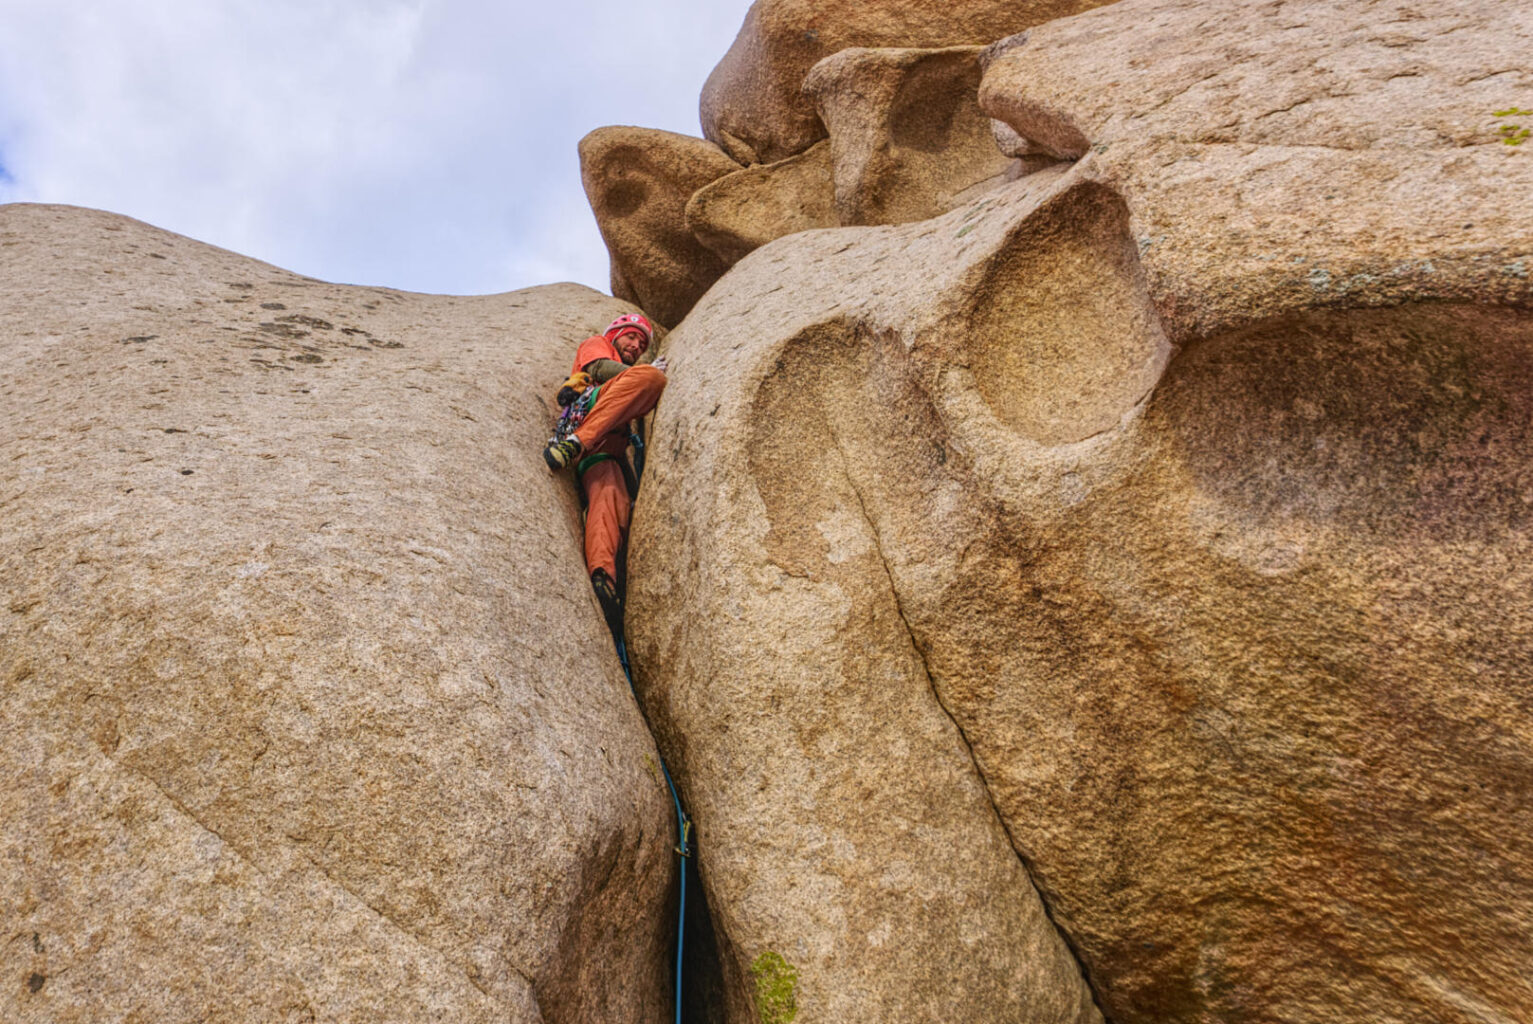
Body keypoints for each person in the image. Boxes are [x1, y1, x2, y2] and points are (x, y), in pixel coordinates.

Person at [544, 312, 667, 629]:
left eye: (641, 344)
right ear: (614, 334)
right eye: (631, 336)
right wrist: (645, 370)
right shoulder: (597, 344)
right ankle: (575, 443)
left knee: (610, 500)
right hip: (590, 415)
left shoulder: (629, 360)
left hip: (607, 448)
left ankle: (603, 579)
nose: (636, 345)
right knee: (650, 380)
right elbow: (598, 369)